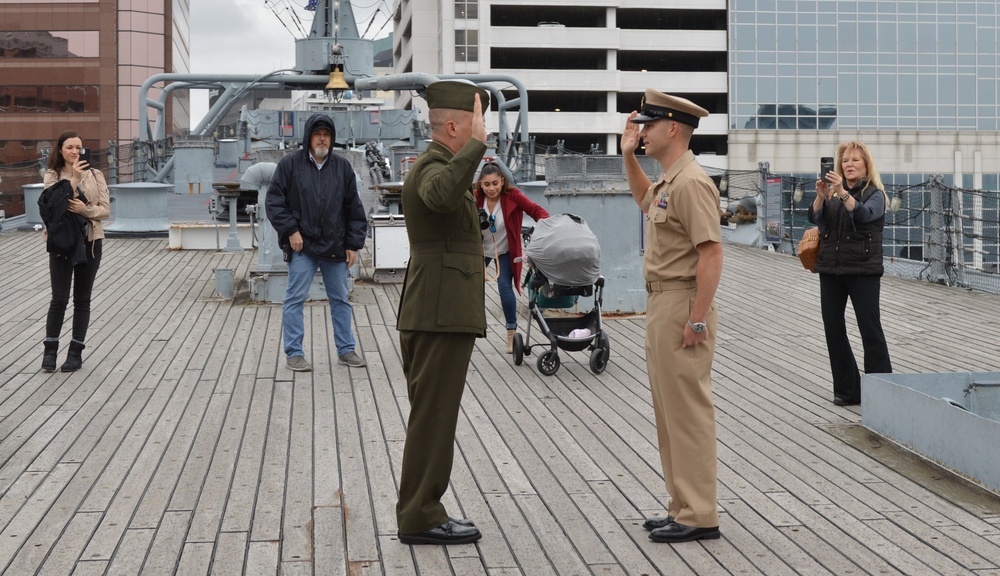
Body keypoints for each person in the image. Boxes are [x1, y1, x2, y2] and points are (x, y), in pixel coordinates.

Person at [622, 89, 723, 544]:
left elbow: (711, 253)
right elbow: (647, 203)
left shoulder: (692, 182)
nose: (640, 132)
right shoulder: (669, 181)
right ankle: (681, 505)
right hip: (662, 303)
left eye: (647, 125)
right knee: (669, 413)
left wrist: (697, 319)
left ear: (672, 129)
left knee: (688, 414)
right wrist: (628, 158)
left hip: (682, 303)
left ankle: (700, 514)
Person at [394, 80, 489, 546]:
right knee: (433, 418)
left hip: (438, 310)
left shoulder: (442, 167)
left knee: (432, 416)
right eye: (475, 124)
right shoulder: (434, 167)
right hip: (438, 313)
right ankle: (420, 516)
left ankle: (421, 510)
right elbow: (438, 196)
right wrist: (475, 149)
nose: (482, 131)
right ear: (455, 126)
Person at [266, 113, 368, 372]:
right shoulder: (290, 165)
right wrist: (291, 230)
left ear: (332, 139)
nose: (322, 139)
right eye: (317, 134)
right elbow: (274, 201)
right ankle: (295, 353)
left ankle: (346, 350)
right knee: (295, 298)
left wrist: (353, 244)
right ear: (308, 137)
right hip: (303, 246)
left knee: (340, 299)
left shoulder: (342, 168)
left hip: (335, 246)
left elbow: (354, 209)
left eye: (327, 135)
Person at [809, 141, 893, 406]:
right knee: (833, 327)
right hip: (831, 269)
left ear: (866, 164)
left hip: (863, 270)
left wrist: (843, 193)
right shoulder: (833, 192)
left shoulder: (875, 193)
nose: (849, 164)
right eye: (845, 160)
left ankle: (881, 390)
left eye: (855, 160)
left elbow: (865, 215)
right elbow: (816, 220)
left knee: (870, 329)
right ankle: (847, 390)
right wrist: (822, 196)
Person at [40, 131, 111, 372]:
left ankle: (75, 353)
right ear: (60, 150)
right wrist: (73, 180)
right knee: (58, 298)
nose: (74, 151)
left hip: (90, 241)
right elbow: (52, 207)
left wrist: (84, 209)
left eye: (78, 147)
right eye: (69, 147)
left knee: (82, 299)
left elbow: (104, 210)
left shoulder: (96, 174)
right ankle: (49, 352)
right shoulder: (52, 175)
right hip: (61, 243)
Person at [475, 162, 549, 353]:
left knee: (504, 286)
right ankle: (468, 329)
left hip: (505, 250)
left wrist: (548, 225)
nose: (492, 188)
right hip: (479, 250)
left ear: (502, 181)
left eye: (495, 183)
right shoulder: (475, 199)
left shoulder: (512, 196)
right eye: (487, 184)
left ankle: (511, 334)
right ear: (480, 185)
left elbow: (535, 210)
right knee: (469, 286)